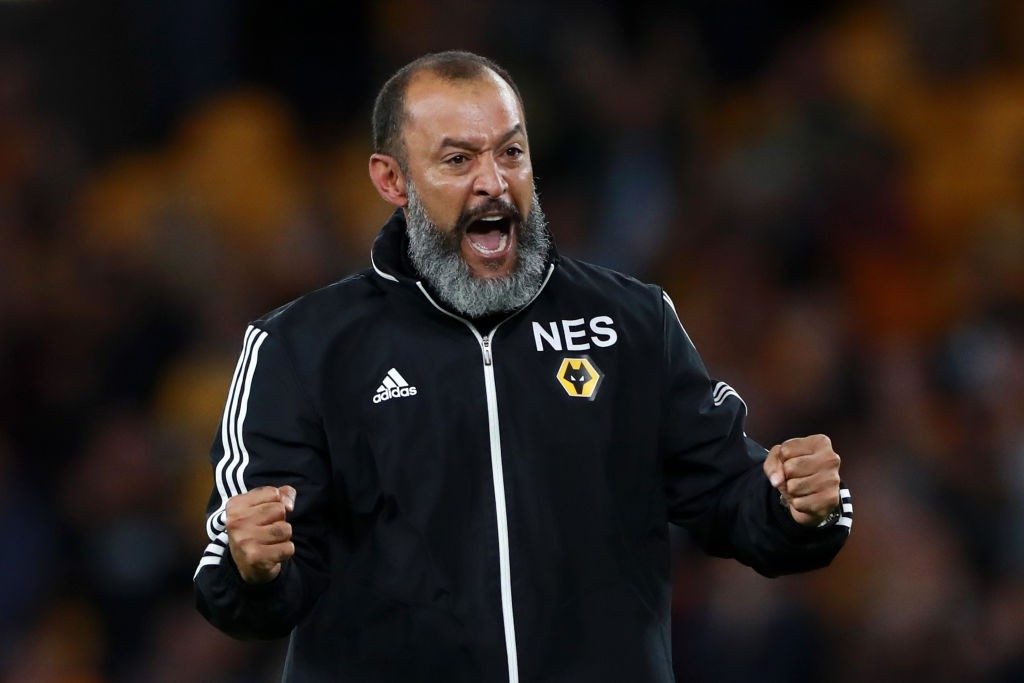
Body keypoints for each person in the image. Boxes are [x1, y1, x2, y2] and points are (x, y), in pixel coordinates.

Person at [193, 51, 852, 682]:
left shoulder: (630, 321)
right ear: (393, 179)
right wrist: (254, 568)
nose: (494, 181)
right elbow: (247, 580)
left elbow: (727, 492)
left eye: (511, 151)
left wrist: (794, 504)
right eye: (458, 159)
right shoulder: (302, 347)